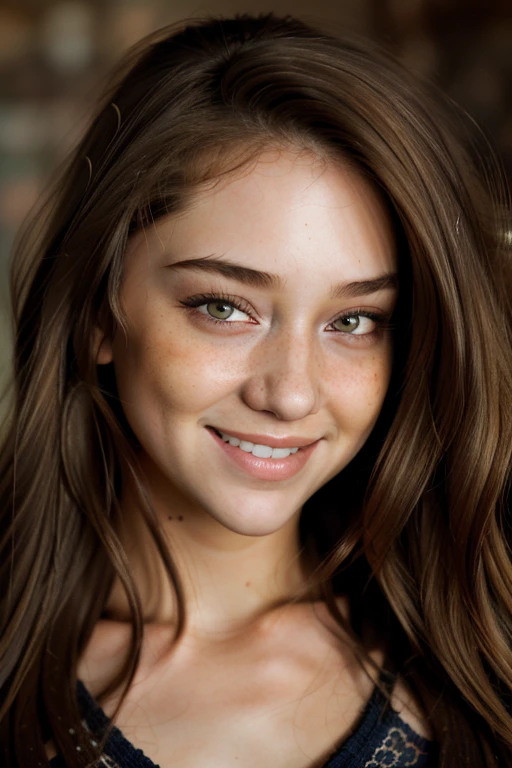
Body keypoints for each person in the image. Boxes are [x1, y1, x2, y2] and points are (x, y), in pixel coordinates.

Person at [1, 12, 511, 768]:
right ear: (98, 314)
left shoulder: (486, 670)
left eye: (355, 320)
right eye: (224, 308)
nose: (292, 394)